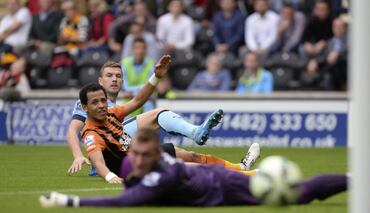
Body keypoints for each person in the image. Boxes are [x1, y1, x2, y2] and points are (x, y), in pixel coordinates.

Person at [39, 129, 370, 208]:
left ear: (157, 156)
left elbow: (126, 202)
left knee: (298, 196)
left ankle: (357, 179)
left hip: (226, 188)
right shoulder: (134, 161)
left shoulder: (166, 173)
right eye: (140, 154)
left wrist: (71, 202)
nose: (141, 159)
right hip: (210, 181)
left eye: (149, 154)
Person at [66, 57, 259, 180]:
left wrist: (156, 77)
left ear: (123, 81)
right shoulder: (91, 103)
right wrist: (78, 156)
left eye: (118, 76)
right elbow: (73, 130)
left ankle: (239, 167)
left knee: (185, 153)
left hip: (125, 145)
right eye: (109, 76)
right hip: (111, 156)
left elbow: (138, 100)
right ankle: (243, 174)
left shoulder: (114, 111)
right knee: (181, 163)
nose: (114, 79)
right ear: (100, 81)